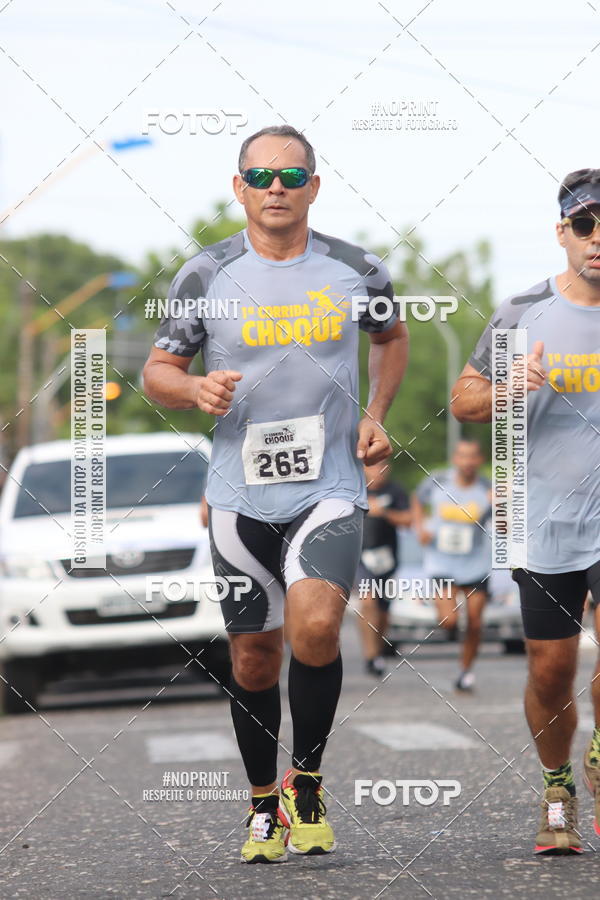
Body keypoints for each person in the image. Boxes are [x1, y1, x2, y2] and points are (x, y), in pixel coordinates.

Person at [143, 124, 408, 863]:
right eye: (260, 178)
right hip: (238, 492)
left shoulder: (358, 269)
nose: (277, 190)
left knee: (316, 627)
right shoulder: (205, 274)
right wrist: (193, 386)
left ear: (314, 187)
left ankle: (308, 780)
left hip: (329, 485)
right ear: (239, 189)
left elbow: (391, 338)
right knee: (254, 658)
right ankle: (263, 801)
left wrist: (375, 415)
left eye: (291, 177)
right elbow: (158, 370)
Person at [451, 168, 600, 854]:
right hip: (543, 520)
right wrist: (510, 385)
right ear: (563, 232)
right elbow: (463, 402)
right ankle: (559, 786)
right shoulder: (522, 313)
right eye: (586, 225)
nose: (597, 240)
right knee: (550, 669)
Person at [412, 440, 492, 692]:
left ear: (479, 460)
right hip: (442, 561)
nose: (467, 462)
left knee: (476, 622)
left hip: (476, 563)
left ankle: (465, 671)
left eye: (472, 457)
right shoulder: (438, 480)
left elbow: (503, 521)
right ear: (455, 459)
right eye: (462, 456)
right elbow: (416, 499)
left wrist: (501, 506)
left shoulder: (487, 488)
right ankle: (453, 631)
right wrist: (419, 527)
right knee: (448, 620)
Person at [356, 461, 411, 677]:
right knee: (368, 601)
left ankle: (378, 651)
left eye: (382, 467)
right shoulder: (355, 489)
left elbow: (408, 521)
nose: (377, 472)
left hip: (387, 559)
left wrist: (384, 513)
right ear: (363, 468)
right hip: (361, 557)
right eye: (372, 467)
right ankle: (370, 657)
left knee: (384, 611)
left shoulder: (395, 491)